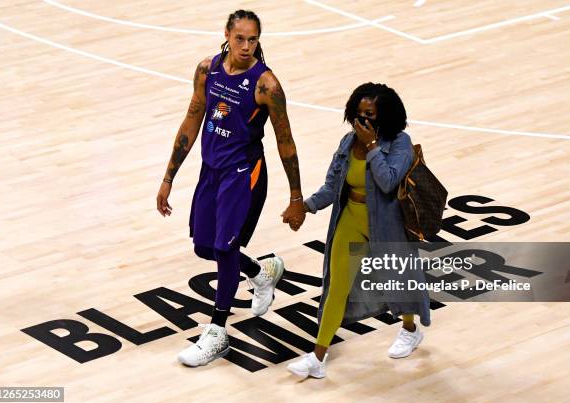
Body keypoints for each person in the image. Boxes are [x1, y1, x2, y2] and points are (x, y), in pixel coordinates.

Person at [156, 9, 305, 367]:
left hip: (244, 174)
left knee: (225, 249)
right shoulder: (207, 70)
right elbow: (192, 119)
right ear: (226, 33)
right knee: (205, 248)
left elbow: (286, 142)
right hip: (212, 171)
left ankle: (217, 332)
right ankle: (261, 271)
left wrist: (296, 196)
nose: (246, 46)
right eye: (240, 38)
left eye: (253, 40)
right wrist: (168, 177)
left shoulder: (266, 85)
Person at [286, 83, 431, 379]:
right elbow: (332, 186)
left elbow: (388, 181)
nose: (363, 121)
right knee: (336, 287)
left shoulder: (400, 143)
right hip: (351, 218)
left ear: (386, 117)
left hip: (388, 226)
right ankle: (318, 357)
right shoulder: (346, 142)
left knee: (398, 283)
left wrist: (372, 148)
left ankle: (410, 329)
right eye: (359, 114)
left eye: (370, 115)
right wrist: (306, 206)